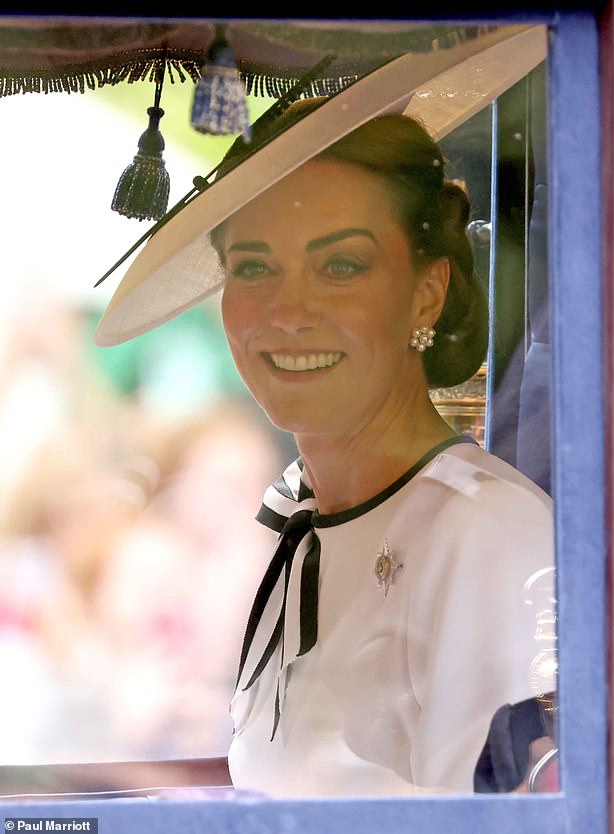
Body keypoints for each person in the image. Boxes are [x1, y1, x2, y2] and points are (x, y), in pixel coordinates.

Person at [95, 90, 555, 797]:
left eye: (340, 266)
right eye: (252, 267)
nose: (288, 312)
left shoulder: (488, 535)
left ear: (426, 293)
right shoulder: (299, 530)